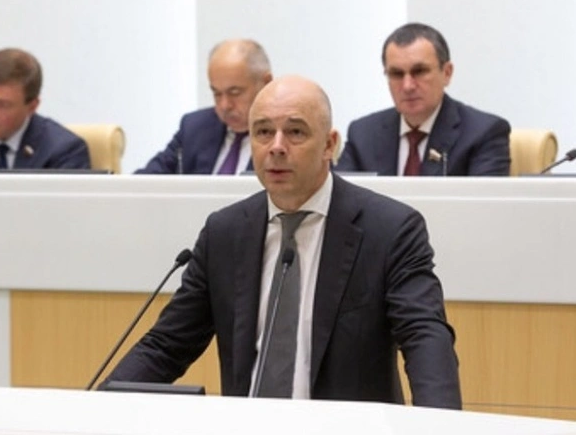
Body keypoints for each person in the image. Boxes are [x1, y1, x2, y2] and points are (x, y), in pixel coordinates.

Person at [102, 75, 462, 409]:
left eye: (295, 132)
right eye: (263, 132)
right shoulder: (225, 232)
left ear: (329, 145)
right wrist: (98, 409)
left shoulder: (390, 230)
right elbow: (166, 346)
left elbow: (425, 337)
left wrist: (441, 424)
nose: (276, 147)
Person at [335, 22, 510, 176]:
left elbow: (484, 203)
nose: (407, 86)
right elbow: (341, 199)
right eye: (396, 74)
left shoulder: (483, 133)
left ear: (447, 73)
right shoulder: (363, 134)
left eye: (419, 72)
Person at [135, 39, 272, 174]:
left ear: (266, 83)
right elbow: (147, 179)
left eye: (234, 92)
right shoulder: (195, 128)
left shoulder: (281, 137)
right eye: (217, 93)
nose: (224, 105)